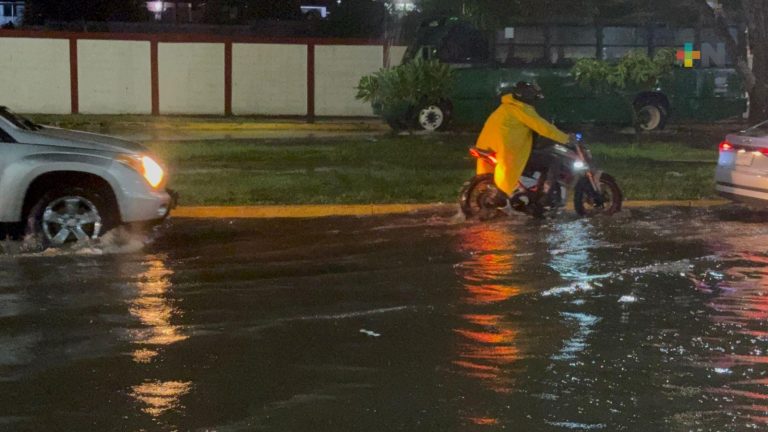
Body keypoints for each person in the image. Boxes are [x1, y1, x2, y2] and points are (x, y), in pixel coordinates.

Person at [475, 81, 571, 213]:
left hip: (489, 148)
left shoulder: (506, 107)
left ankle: (524, 190)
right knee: (553, 161)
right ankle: (544, 197)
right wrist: (566, 138)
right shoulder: (522, 110)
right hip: (509, 151)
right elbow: (543, 128)